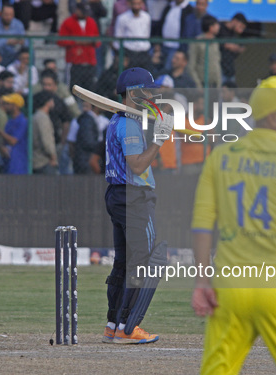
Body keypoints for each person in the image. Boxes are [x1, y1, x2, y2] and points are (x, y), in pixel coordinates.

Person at [191, 75, 276, 374]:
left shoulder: (220, 155)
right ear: (274, 117)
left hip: (230, 290)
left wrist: (201, 281)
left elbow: (202, 224)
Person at [102, 67, 174, 344]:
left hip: (119, 196)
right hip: (133, 197)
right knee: (143, 263)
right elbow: (137, 164)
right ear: (134, 93)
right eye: (147, 90)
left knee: (124, 262)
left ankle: (114, 324)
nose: (152, 96)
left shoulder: (117, 120)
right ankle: (128, 327)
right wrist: (159, 141)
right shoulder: (129, 124)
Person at [57, 3, 100, 92]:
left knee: (90, 90)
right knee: (73, 89)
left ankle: (88, 106)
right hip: (74, 62)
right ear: (77, 10)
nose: (85, 14)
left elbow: (98, 41)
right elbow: (60, 40)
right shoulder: (68, 22)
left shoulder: (91, 21)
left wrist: (92, 41)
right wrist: (76, 42)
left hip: (89, 61)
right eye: (83, 12)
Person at [0, 92, 29, 174]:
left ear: (15, 106)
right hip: (8, 161)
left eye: (8, 104)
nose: (5, 106)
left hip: (18, 163)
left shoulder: (22, 122)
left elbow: (13, 141)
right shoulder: (9, 122)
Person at [188, 15, 222, 89]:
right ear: (211, 27)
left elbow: (217, 62)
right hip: (202, 83)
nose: (218, 27)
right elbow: (191, 65)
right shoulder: (197, 42)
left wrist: (219, 83)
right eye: (216, 25)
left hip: (214, 85)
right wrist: (198, 85)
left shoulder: (216, 42)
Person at [31, 90, 58, 174]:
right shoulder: (43, 118)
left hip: (34, 159)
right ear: (48, 102)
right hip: (44, 162)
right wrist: (53, 157)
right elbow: (46, 141)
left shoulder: (34, 116)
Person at [217, 12, 247, 84]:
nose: (241, 30)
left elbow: (239, 48)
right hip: (219, 67)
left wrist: (237, 49)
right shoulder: (220, 28)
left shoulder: (234, 35)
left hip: (230, 68)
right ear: (235, 21)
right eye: (241, 26)